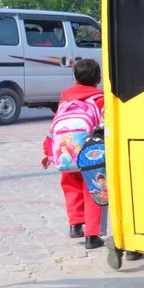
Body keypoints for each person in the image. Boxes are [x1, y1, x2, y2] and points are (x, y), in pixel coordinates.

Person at [41, 59, 104, 248]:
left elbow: (54, 129)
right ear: (99, 79)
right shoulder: (100, 99)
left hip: (66, 154)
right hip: (90, 156)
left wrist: (48, 151)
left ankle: (75, 225)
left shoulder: (65, 100)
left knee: (70, 186)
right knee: (93, 189)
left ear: (75, 79)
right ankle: (92, 236)